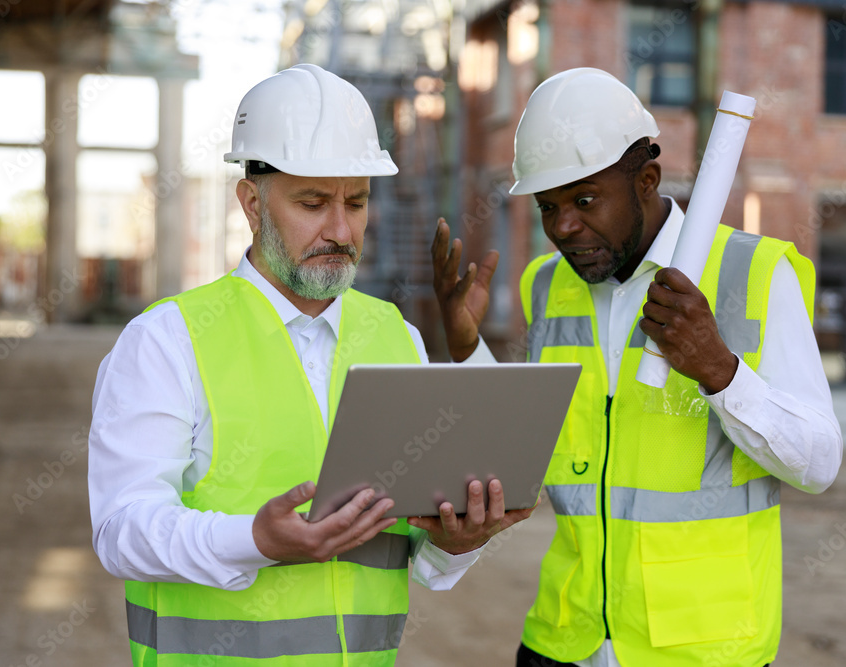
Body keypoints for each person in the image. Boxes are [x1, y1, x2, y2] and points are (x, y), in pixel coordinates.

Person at [89, 63, 532, 667]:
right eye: (313, 202)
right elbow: (122, 531)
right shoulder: (168, 340)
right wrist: (254, 541)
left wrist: (457, 542)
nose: (341, 229)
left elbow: (415, 555)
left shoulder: (395, 337)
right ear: (251, 202)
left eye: (356, 201)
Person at [432, 67, 843, 667]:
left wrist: (720, 372)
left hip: (701, 650)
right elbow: (525, 447)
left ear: (646, 180)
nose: (564, 227)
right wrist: (469, 347)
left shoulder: (752, 276)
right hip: (563, 639)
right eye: (549, 207)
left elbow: (820, 463)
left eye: (586, 199)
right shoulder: (548, 285)